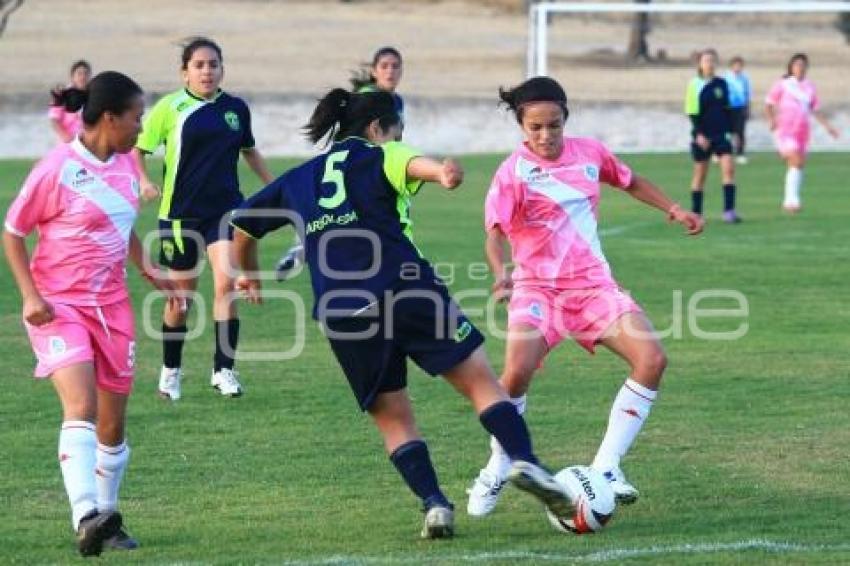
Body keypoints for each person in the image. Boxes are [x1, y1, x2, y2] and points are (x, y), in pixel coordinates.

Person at [230, 88, 575, 539]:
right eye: (399, 130)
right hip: (404, 286)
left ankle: (435, 505)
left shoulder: (298, 178)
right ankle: (525, 460)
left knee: (394, 416)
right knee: (479, 383)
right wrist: (443, 173)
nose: (399, 138)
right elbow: (416, 165)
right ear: (377, 129)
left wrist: (247, 274)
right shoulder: (381, 154)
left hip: (342, 310)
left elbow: (241, 225)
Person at [465, 77, 704, 518]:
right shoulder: (511, 172)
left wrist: (673, 208)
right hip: (537, 288)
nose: (546, 135)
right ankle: (498, 465)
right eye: (535, 127)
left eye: (553, 124)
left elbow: (629, 180)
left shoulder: (590, 152)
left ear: (565, 118)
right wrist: (501, 276)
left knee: (652, 360)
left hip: (593, 287)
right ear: (522, 126)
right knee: (515, 374)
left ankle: (607, 467)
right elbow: (494, 234)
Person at [4, 71, 175, 556]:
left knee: (113, 426)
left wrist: (146, 268)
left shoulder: (123, 166)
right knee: (81, 407)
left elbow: (121, 223)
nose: (141, 129)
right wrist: (30, 296)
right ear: (109, 118)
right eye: (137, 118)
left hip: (113, 309)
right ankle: (85, 514)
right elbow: (13, 232)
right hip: (59, 306)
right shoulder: (55, 169)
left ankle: (108, 516)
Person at [133, 37, 274, 400]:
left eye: (213, 64)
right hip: (180, 217)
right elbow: (140, 150)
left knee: (227, 286)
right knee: (181, 301)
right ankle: (171, 370)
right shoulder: (170, 107)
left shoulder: (236, 109)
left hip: (226, 211)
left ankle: (223, 370)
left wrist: (275, 186)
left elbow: (249, 150)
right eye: (199, 65)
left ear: (222, 69)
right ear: (185, 72)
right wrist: (145, 181)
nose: (207, 71)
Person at [275, 46, 405, 280]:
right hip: (356, 164)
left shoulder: (397, 101)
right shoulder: (369, 96)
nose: (391, 71)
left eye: (396, 66)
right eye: (385, 66)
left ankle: (304, 247)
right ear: (374, 71)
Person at [765, 53, 840, 213]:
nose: (800, 68)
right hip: (785, 129)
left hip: (802, 131)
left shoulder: (809, 86)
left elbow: (815, 109)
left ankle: (790, 201)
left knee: (798, 165)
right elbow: (769, 103)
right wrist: (772, 120)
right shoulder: (783, 84)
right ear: (791, 67)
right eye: (797, 65)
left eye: (803, 65)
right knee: (796, 160)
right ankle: (792, 200)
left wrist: (828, 127)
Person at [685, 48, 741, 223]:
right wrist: (699, 134)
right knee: (700, 175)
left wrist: (734, 133)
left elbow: (729, 110)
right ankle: (696, 214)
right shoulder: (694, 85)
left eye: (712, 60)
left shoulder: (722, 84)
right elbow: (692, 112)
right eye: (706, 60)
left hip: (721, 134)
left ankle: (729, 211)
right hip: (703, 136)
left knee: (729, 170)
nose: (710, 63)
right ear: (700, 64)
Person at [49, 60, 92, 143]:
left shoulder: (94, 95)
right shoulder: (61, 95)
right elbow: (54, 120)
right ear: (73, 77)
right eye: (79, 74)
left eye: (86, 74)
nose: (83, 77)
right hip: (68, 140)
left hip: (88, 141)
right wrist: (66, 137)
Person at [724, 55, 752, 164]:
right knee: (727, 132)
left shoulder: (744, 78)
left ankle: (740, 153)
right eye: (736, 65)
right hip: (727, 108)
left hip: (740, 108)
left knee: (740, 132)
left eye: (740, 65)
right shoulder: (726, 78)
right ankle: (725, 153)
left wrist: (748, 108)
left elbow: (747, 94)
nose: (738, 68)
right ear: (731, 66)